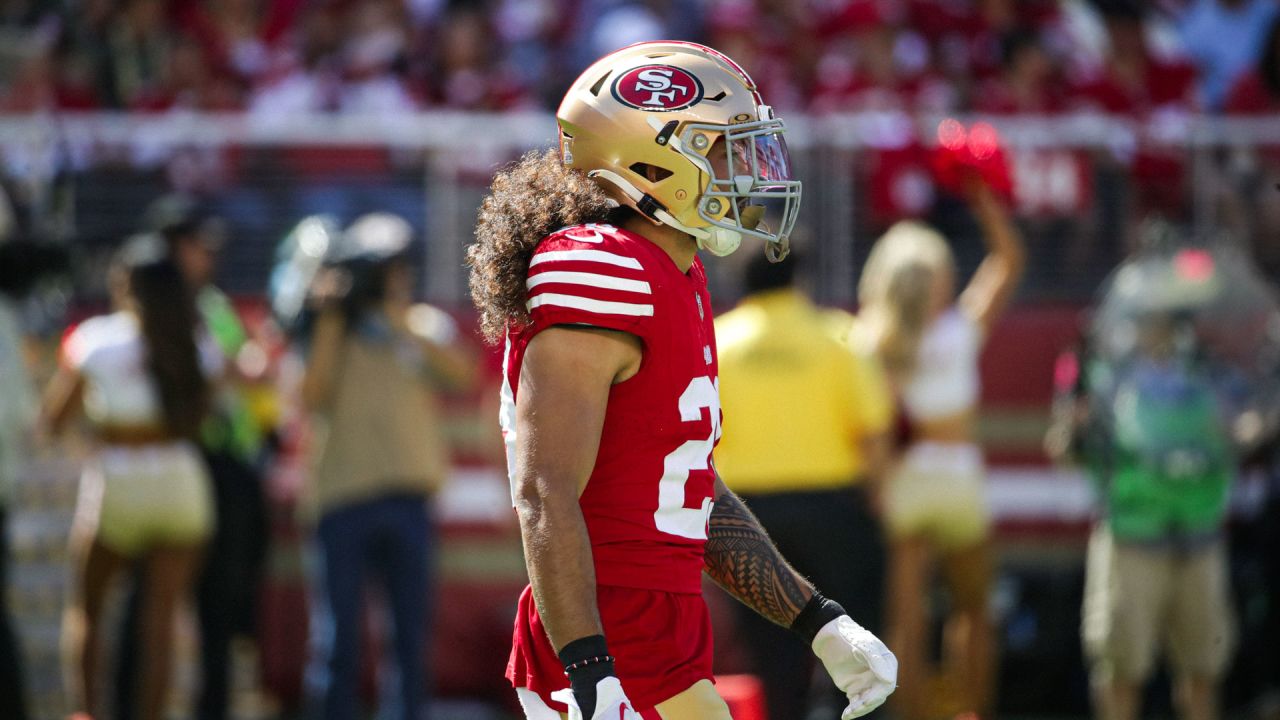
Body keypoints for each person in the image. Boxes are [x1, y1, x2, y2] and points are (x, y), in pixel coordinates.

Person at [466, 40, 897, 720]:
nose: (749, 172)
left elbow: (690, 489)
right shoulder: (599, 267)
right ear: (653, 158)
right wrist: (589, 671)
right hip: (606, 628)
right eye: (726, 149)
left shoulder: (677, 272)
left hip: (660, 630)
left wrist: (816, 619)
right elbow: (545, 492)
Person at [854, 179, 1024, 720]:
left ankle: (913, 711)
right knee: (973, 607)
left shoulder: (870, 342)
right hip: (959, 481)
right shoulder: (959, 330)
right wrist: (983, 200)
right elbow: (1009, 260)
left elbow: (871, 430)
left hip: (905, 484)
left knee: (906, 617)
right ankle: (969, 709)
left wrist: (878, 487)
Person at [1047, 247, 1240, 720]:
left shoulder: (1205, 374)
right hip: (1131, 537)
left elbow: (1232, 436)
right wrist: (1077, 428)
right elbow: (1063, 447)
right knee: (1120, 671)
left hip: (1199, 537)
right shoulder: (1100, 373)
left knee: (1202, 669)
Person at [300, 212, 475, 720]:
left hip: (409, 499)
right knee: (337, 638)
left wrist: (399, 321)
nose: (394, 277)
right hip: (342, 497)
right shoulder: (326, 326)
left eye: (399, 266)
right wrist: (331, 316)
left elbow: (464, 376)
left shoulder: (423, 324)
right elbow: (312, 397)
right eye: (383, 268)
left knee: (410, 635)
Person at [40, 238, 219, 720]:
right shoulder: (196, 340)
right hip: (182, 481)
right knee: (160, 623)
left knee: (88, 608)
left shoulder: (97, 339)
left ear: (124, 285)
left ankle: (86, 713)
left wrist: (96, 443)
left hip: (119, 480)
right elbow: (208, 415)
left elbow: (53, 420)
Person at [714, 252, 895, 720]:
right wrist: (875, 503)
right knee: (856, 653)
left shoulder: (718, 340)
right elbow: (874, 432)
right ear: (800, 276)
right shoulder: (840, 335)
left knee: (773, 665)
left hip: (749, 520)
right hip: (834, 513)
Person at [114, 196, 271, 720]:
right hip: (198, 464)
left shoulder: (195, 303)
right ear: (178, 248)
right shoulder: (178, 308)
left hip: (194, 463)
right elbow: (236, 371)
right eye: (201, 247)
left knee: (187, 606)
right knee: (196, 604)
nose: (209, 258)